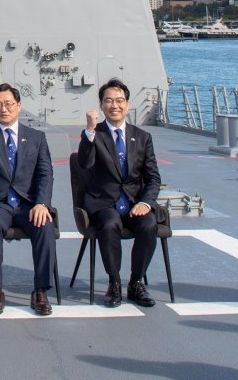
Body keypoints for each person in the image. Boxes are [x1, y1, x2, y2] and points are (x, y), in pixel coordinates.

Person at [0, 83, 56, 316]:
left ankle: (41, 291)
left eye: (8, 104)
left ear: (19, 106)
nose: (3, 109)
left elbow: (45, 173)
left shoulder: (36, 137)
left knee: (44, 225)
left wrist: (41, 203)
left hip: (27, 205)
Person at [77, 76, 161, 308]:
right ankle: (114, 282)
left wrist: (146, 202)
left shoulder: (143, 138)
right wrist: (90, 132)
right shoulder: (96, 134)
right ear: (101, 105)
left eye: (120, 100)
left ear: (128, 103)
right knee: (110, 223)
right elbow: (84, 163)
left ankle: (135, 282)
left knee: (149, 225)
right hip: (104, 203)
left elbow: (153, 178)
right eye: (109, 101)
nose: (115, 105)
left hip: (134, 203)